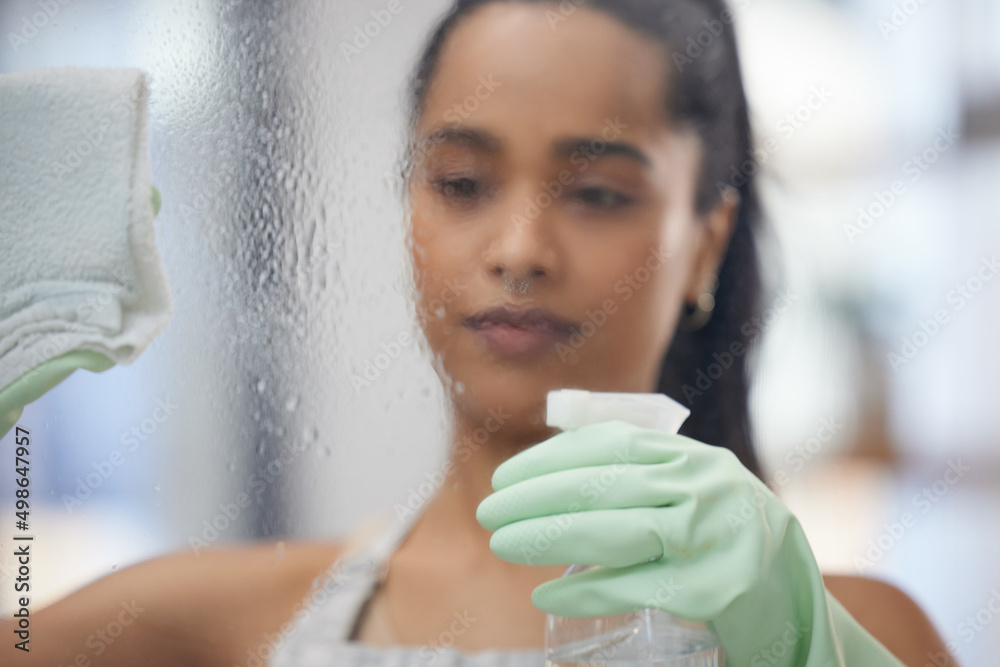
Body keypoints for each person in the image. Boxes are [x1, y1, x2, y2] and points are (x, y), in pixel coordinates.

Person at [1, 1, 956, 665]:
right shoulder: (209, 625)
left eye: (596, 193)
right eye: (461, 181)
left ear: (704, 245)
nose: (520, 248)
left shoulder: (852, 631)